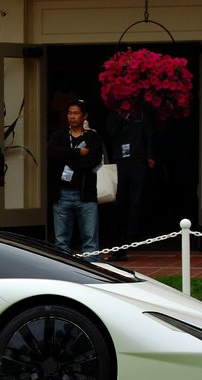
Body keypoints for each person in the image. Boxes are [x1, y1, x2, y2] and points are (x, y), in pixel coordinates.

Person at [47, 99, 103, 258]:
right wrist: (77, 153)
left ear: (84, 116)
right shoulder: (59, 136)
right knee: (61, 239)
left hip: (85, 194)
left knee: (90, 238)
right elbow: (52, 152)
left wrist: (67, 158)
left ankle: (93, 270)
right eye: (70, 113)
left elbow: (92, 160)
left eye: (76, 113)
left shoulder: (93, 137)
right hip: (62, 194)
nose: (72, 116)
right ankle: (64, 273)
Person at [105, 107, 156, 261]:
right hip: (120, 162)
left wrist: (150, 156)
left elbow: (149, 135)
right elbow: (111, 134)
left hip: (138, 161)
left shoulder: (140, 114)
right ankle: (119, 238)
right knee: (119, 201)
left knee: (136, 200)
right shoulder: (113, 116)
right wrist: (121, 118)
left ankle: (132, 235)